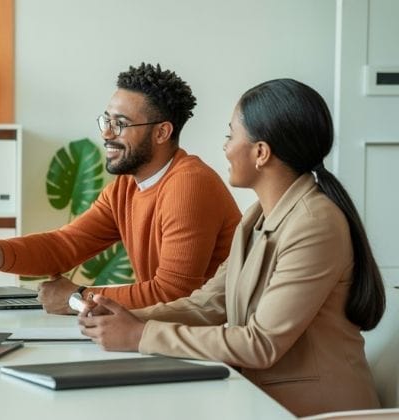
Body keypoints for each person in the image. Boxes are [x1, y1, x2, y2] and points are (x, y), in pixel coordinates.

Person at [77, 79, 386, 417]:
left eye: (230, 135)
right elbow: (208, 304)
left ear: (260, 152)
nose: (225, 147)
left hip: (318, 410)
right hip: (261, 398)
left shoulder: (315, 224)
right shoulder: (256, 218)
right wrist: (128, 318)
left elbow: (261, 344)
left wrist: (140, 335)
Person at [0, 63, 241, 314]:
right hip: (171, 335)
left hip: (213, 345)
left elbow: (173, 294)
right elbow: (64, 246)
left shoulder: (189, 185)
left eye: (120, 124)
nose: (107, 133)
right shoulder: (125, 188)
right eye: (106, 120)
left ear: (162, 132)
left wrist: (78, 298)